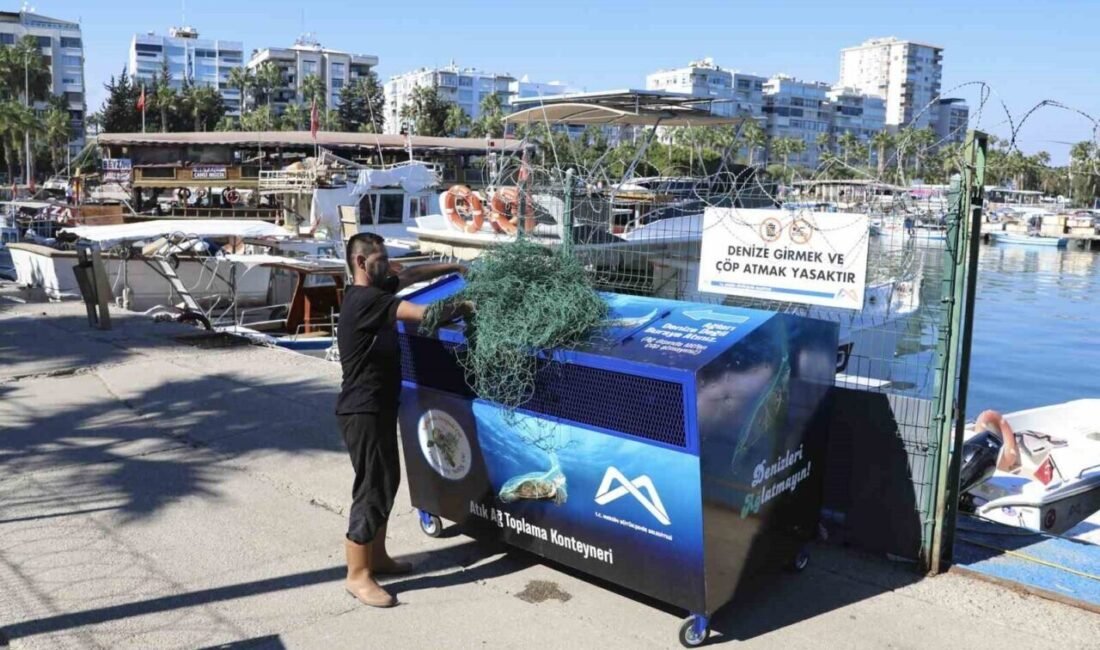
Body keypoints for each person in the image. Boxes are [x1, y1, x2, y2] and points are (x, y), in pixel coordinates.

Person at [336, 232, 469, 608]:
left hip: (378, 406)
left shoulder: (376, 289)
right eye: (381, 259)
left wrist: (455, 266)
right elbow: (425, 315)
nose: (389, 265)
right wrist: (467, 305)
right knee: (372, 488)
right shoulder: (367, 300)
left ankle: (377, 557)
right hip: (362, 410)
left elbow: (410, 275)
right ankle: (357, 575)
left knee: (388, 480)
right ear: (361, 263)